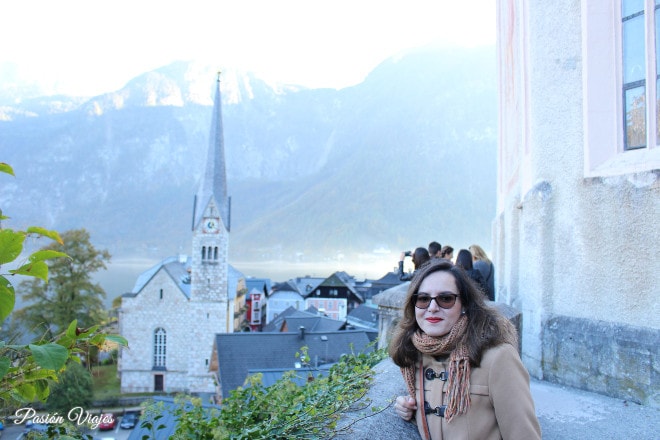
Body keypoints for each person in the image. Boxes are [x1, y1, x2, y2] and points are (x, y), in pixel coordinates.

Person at [390, 259, 541, 439]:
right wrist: (411, 410)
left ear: (465, 305)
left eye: (445, 299)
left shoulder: (499, 358)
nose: (432, 308)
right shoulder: (415, 357)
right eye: (423, 299)